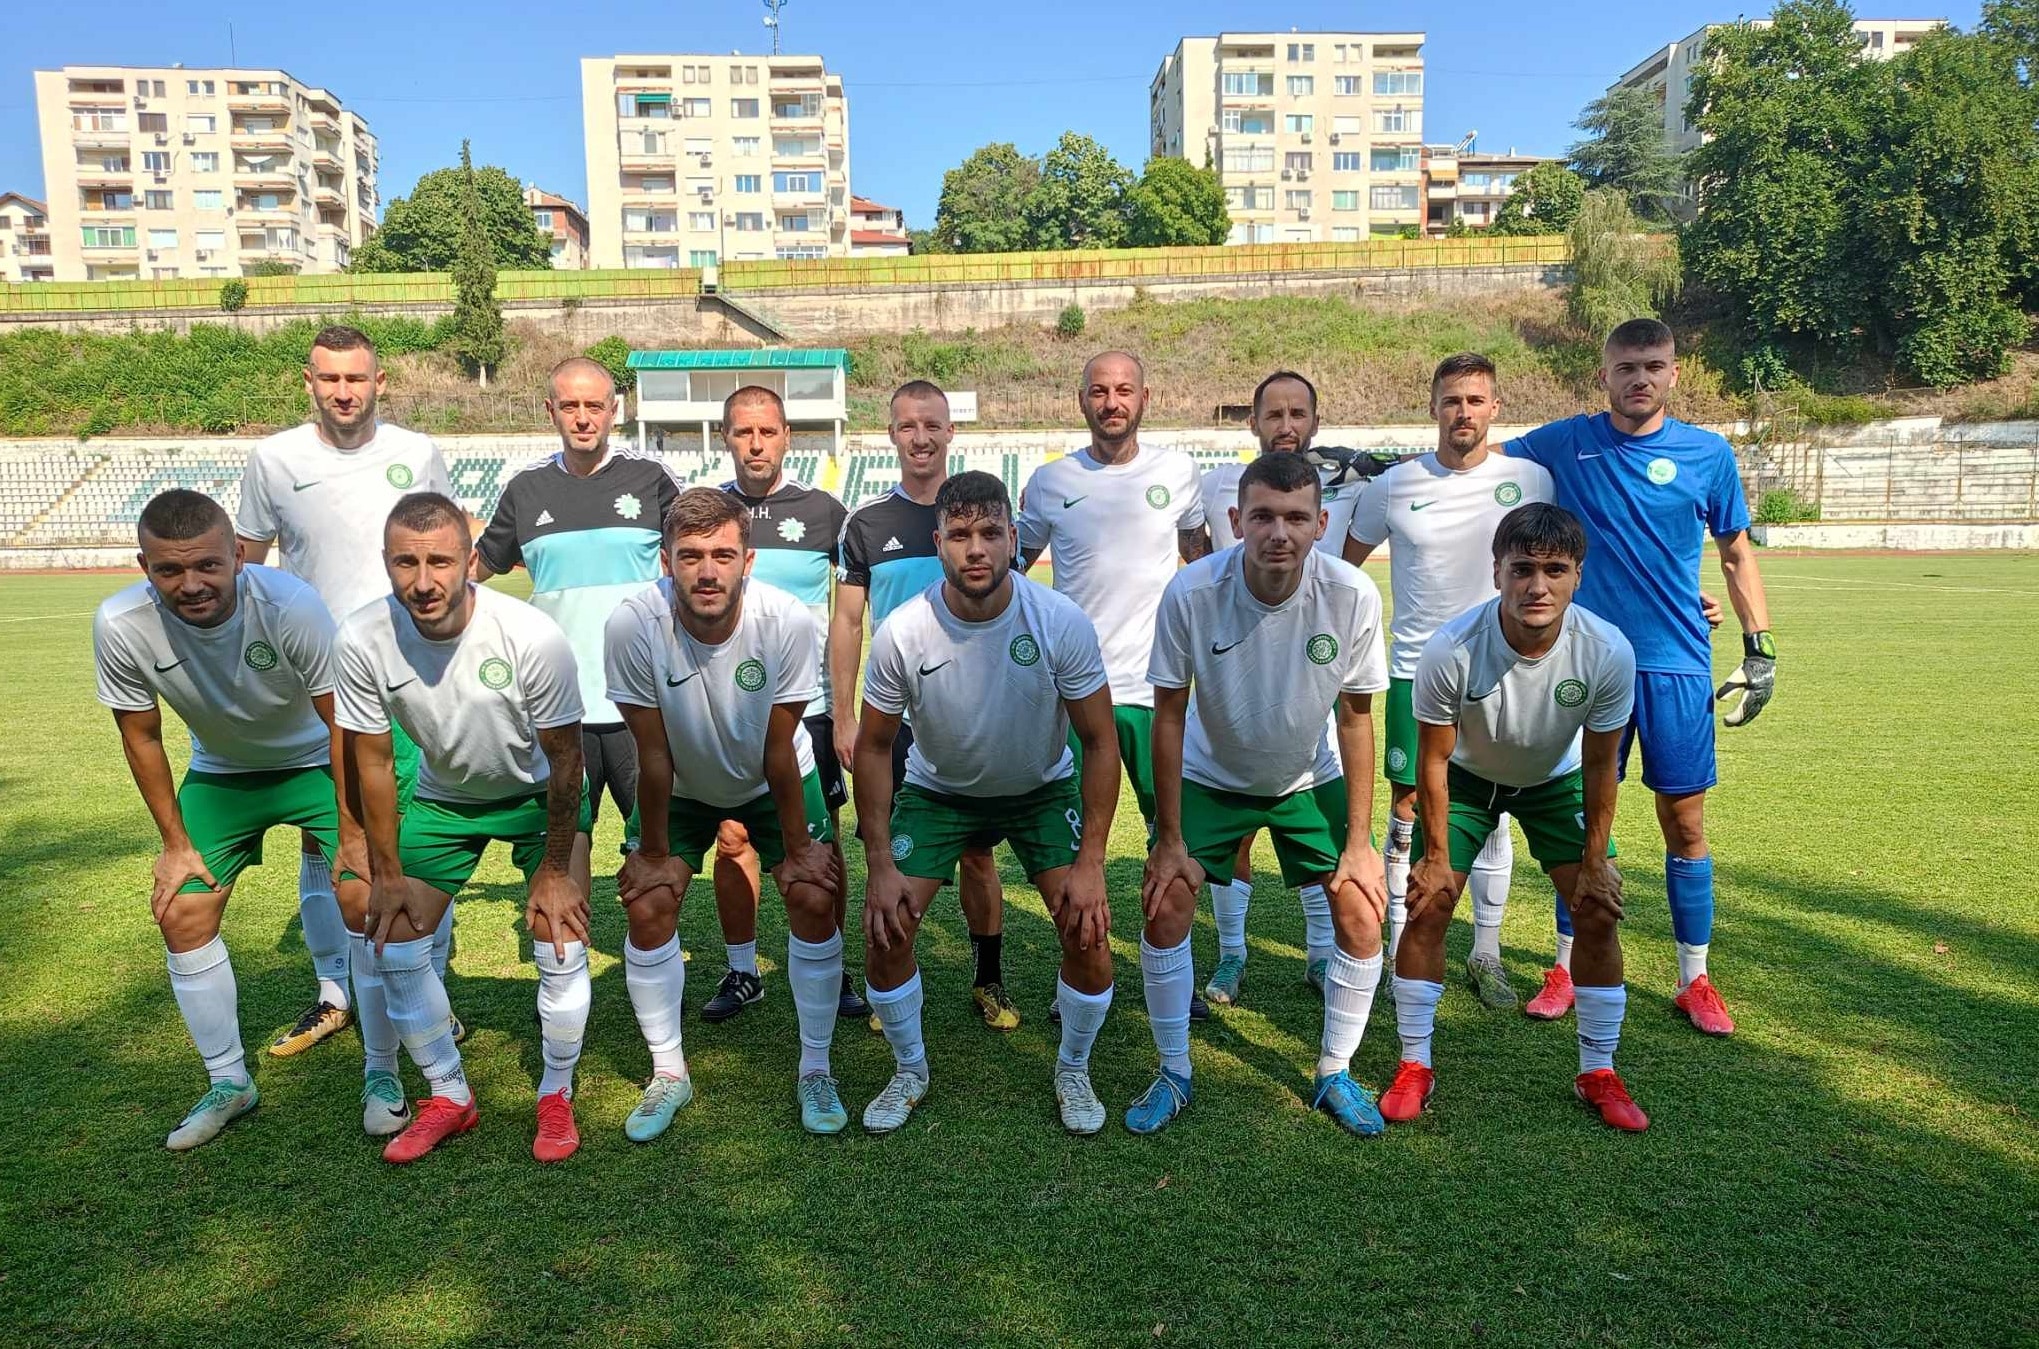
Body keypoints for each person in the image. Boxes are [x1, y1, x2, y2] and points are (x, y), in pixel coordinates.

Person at [1503, 318, 1776, 1034]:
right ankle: (1563, 965)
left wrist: (1759, 646)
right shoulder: (1564, 442)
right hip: (1586, 663)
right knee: (1581, 821)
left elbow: (1734, 552)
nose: (1639, 379)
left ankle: (1695, 977)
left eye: (1653, 365)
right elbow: (1475, 467)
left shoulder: (1707, 453)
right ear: (1603, 375)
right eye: (1626, 367)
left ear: (1674, 373)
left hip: (1677, 661)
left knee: (1683, 821)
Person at [852, 472, 1121, 1135]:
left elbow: (1098, 740)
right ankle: (909, 1068)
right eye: (962, 535)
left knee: (1087, 933)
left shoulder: (1058, 619)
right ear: (938, 541)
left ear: (1014, 540)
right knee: (886, 929)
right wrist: (880, 862)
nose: (977, 549)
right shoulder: (902, 630)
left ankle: (1073, 1066)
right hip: (939, 793)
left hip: (1040, 789)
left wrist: (1090, 862)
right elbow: (873, 746)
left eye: (992, 533)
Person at [1131, 453, 1391, 1136]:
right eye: (1263, 516)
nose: (1280, 531)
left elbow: (1357, 716)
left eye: (1296, 517)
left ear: (1321, 523)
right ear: (1234, 521)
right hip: (1210, 775)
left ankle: (1333, 1069)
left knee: (1361, 910)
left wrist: (1361, 843)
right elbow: (1166, 712)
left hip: (1309, 777)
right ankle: (1173, 1070)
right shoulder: (1190, 592)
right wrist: (1167, 837)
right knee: (1164, 905)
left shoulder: (1351, 594)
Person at [95, 490, 364, 1149]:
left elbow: (344, 723)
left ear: (238, 555)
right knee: (181, 908)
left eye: (207, 566)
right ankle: (229, 1081)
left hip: (318, 761)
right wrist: (174, 843)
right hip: (223, 771)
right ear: (144, 564)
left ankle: (392, 1061)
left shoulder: (290, 604)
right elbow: (143, 736)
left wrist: (354, 832)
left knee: (365, 894)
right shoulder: (120, 621)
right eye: (168, 571)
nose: (190, 585)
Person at [335, 493, 593, 1165]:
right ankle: (450, 1095)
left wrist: (555, 868)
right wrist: (385, 872)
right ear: (386, 563)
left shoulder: (530, 634)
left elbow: (567, 759)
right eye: (406, 562)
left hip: (539, 798)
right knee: (388, 933)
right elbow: (371, 758)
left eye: (440, 561)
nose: (423, 581)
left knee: (557, 934)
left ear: (472, 562)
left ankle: (555, 1093)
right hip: (447, 800)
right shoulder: (362, 636)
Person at [1383, 503, 1648, 1131]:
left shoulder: (1607, 651)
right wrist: (1437, 858)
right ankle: (1414, 1062)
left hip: (1553, 785)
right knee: (1429, 903)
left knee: (1597, 911)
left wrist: (1595, 861)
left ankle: (1598, 1071)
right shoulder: (1451, 647)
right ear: (1497, 570)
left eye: (1554, 570)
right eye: (1522, 568)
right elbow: (1434, 760)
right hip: (1469, 782)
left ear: (1578, 575)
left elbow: (1600, 764)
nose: (1537, 585)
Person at [235, 323, 456, 1055]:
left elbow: (446, 551)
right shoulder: (272, 459)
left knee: (414, 828)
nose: (343, 392)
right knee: (321, 834)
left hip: (409, 667)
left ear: (379, 381)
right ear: (309, 382)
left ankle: (430, 985)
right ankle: (333, 989)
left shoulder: (417, 452)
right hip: (313, 676)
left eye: (355, 378)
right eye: (329, 379)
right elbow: (249, 564)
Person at [608, 488, 851, 1136]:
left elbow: (776, 749)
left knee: (810, 895)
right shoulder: (631, 624)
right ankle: (668, 1073)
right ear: (665, 561)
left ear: (748, 559)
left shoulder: (787, 619)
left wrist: (800, 848)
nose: (707, 570)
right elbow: (651, 753)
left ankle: (815, 1068)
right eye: (690, 556)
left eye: (722, 554)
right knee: (648, 902)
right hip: (681, 781)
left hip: (773, 777)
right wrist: (655, 856)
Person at [1343, 353, 1555, 1011]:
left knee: (1492, 813)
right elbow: (1344, 569)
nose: (1463, 411)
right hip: (1415, 673)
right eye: (1451, 400)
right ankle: (1398, 946)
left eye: (1475, 399)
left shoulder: (1529, 479)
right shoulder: (1393, 486)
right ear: (1432, 407)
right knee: (1408, 811)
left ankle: (1484, 952)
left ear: (1494, 407)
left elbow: (1558, 565)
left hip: (1505, 669)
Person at [1016, 350, 1212, 1020]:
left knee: (1173, 837)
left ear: (1144, 397)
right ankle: (1076, 970)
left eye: (1123, 389)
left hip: (1159, 691)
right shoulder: (1048, 483)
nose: (1111, 402)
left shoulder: (1178, 473)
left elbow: (1202, 560)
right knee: (1074, 848)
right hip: (1075, 692)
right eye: (1098, 390)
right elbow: (1013, 572)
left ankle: (1173, 973)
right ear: (1081, 401)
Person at [1196, 370, 1388, 1008]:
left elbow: (1341, 577)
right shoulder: (1215, 486)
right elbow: (1198, 562)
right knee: (1239, 839)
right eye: (1273, 414)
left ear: (1314, 423)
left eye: (1297, 414)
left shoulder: (1348, 489)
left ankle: (1317, 953)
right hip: (1233, 689)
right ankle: (1230, 954)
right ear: (1252, 422)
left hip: (1309, 682)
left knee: (1321, 853)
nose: (1286, 426)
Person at [831, 381, 1013, 1030]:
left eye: (931, 424)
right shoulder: (867, 523)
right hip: (896, 721)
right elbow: (848, 623)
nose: (920, 437)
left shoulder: (978, 514)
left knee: (977, 854)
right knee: (891, 850)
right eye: (907, 425)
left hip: (973, 719)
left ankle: (989, 979)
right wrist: (845, 715)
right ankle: (893, 983)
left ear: (950, 431)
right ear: (890, 435)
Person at [474, 355, 677, 899]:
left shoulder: (651, 479)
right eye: (570, 406)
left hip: (641, 704)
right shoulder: (526, 490)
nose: (583, 417)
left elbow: (696, 563)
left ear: (615, 411)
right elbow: (472, 571)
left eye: (595, 405)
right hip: (559, 705)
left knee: (654, 853)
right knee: (563, 853)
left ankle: (652, 972)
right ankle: (569, 978)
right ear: (551, 412)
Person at [710, 386, 866, 1025]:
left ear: (787, 438)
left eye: (766, 432)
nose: (755, 444)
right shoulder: (705, 510)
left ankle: (834, 962)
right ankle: (743, 970)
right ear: (725, 438)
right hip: (724, 707)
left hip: (811, 709)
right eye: (742, 432)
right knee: (732, 836)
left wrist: (847, 706)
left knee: (823, 844)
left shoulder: (827, 512)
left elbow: (849, 614)